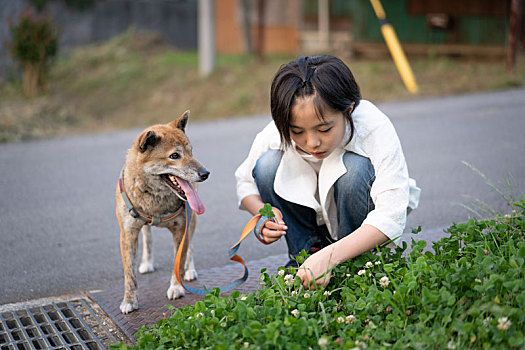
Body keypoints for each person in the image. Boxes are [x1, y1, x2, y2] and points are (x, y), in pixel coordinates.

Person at [235, 55, 420, 289]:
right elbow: (245, 182)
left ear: (348, 110)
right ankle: (304, 259)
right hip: (311, 218)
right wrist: (263, 215)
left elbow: (391, 215)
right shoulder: (279, 130)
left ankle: (356, 263)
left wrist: (331, 256)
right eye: (297, 131)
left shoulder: (373, 127)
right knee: (267, 165)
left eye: (324, 129)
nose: (312, 142)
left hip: (354, 225)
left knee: (355, 170)